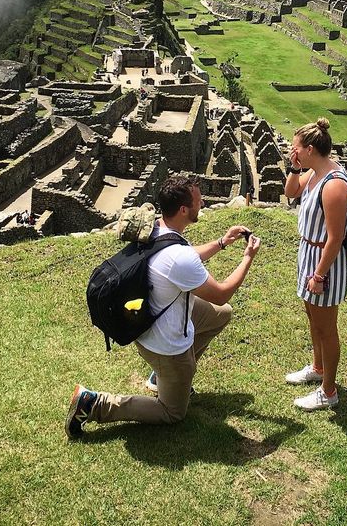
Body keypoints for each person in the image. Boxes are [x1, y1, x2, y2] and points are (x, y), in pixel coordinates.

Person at [65, 174, 260, 437]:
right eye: (198, 201)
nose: (201, 204)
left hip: (148, 317)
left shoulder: (159, 228)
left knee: (220, 316)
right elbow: (221, 293)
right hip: (165, 345)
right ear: (183, 209)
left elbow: (188, 257)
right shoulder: (179, 259)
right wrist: (248, 257)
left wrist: (222, 243)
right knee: (173, 412)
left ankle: (166, 378)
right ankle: (94, 403)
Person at [283, 117, 347, 411]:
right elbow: (290, 192)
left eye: (295, 148)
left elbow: (335, 238)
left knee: (327, 328)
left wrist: (319, 276)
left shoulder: (333, 185)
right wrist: (294, 167)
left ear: (310, 149)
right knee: (314, 320)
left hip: (325, 263)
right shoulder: (313, 173)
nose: (292, 151)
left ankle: (329, 391)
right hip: (309, 254)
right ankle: (318, 367)